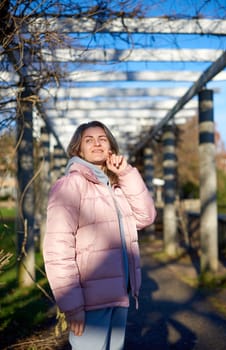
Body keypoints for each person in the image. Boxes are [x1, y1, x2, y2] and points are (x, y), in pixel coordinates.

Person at [43, 120, 156, 350]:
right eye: (89, 140)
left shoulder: (116, 186)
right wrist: (72, 306)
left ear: (110, 146)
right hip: (89, 301)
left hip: (120, 295)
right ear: (78, 149)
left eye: (102, 139)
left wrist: (125, 172)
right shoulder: (70, 185)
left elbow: (146, 217)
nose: (96, 143)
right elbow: (58, 249)